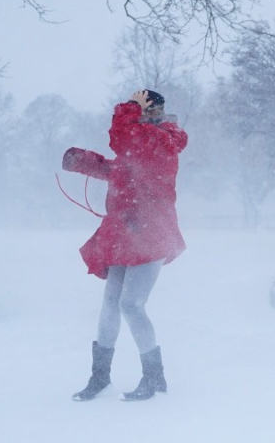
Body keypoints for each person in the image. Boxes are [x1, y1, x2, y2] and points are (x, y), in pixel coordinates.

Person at [62, 89, 188, 402]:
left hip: (149, 232)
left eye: (140, 108)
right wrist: (84, 162)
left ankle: (154, 378)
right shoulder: (142, 142)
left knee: (131, 305)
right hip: (124, 233)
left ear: (151, 113)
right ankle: (100, 378)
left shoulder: (161, 142)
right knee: (110, 306)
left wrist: (129, 107)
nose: (136, 113)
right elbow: (120, 168)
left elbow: (121, 139)